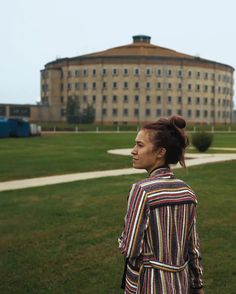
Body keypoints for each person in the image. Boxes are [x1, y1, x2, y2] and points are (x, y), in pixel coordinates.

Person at [118, 116, 204, 294]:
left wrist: (123, 239)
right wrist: (197, 285)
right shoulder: (187, 191)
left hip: (147, 285)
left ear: (160, 152)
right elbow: (193, 248)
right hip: (181, 284)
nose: (133, 151)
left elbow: (130, 248)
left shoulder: (141, 191)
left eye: (140, 145)